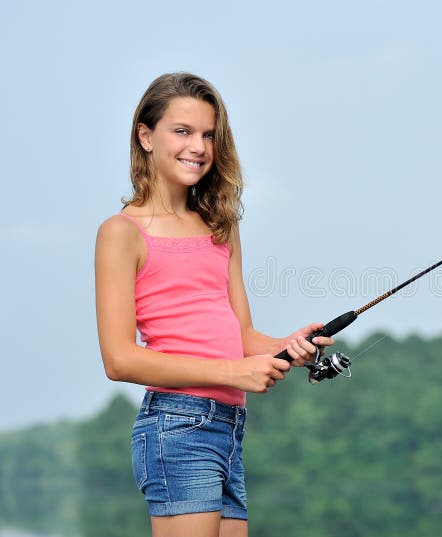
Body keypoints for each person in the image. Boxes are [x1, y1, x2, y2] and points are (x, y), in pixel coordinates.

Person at [94, 72, 333, 537]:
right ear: (146, 136)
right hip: (177, 426)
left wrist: (288, 345)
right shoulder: (121, 233)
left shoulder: (220, 225)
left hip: (229, 427)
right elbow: (119, 360)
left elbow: (241, 335)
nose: (199, 147)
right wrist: (231, 373)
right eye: (182, 131)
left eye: (208, 135)